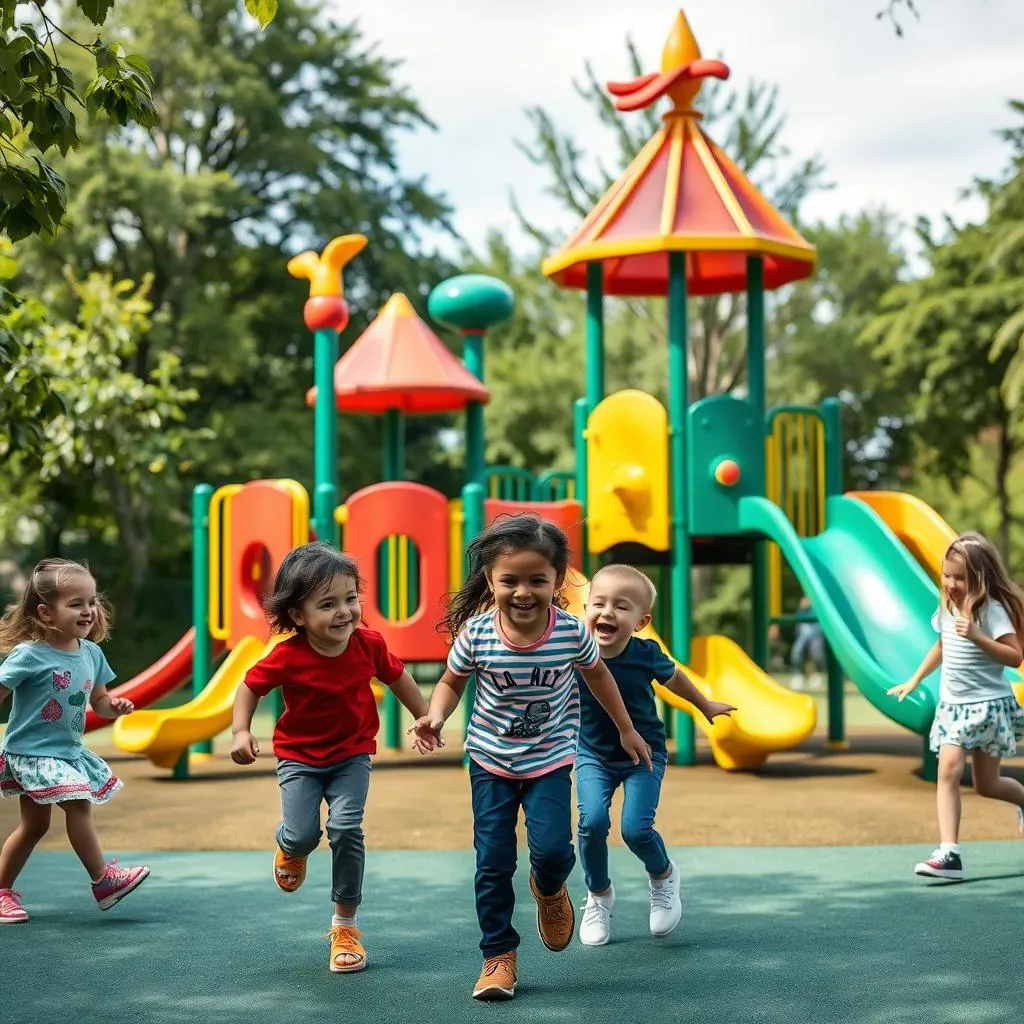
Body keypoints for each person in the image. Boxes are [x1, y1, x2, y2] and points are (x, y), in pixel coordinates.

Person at [410, 515, 652, 1002]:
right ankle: (498, 956)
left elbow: (599, 676)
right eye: (510, 581)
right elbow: (452, 682)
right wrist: (434, 715)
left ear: (557, 581)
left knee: (553, 852)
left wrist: (627, 728)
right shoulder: (477, 634)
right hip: (491, 760)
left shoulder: (569, 633)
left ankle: (549, 888)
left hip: (550, 758)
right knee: (493, 860)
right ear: (490, 581)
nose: (523, 592)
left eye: (537, 580)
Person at [230, 542, 430, 973]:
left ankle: (346, 924)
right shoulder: (287, 655)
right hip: (299, 758)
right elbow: (249, 686)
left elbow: (399, 678)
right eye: (328, 604)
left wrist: (424, 717)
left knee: (345, 827)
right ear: (299, 616)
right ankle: (290, 845)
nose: (344, 612)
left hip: (351, 755)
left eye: (350, 599)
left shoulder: (368, 645)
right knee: (303, 834)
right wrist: (241, 730)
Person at [576, 564, 736, 946]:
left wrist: (704, 705)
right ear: (585, 609)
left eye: (621, 606)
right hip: (592, 755)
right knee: (592, 823)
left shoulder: (645, 653)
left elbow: (675, 677)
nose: (607, 612)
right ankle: (599, 894)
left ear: (641, 620)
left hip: (643, 755)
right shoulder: (573, 650)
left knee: (635, 829)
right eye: (599, 603)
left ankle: (662, 875)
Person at [0, 559, 150, 923]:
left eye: (92, 602)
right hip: (32, 755)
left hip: (67, 753)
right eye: (76, 603)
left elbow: (99, 701)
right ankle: (103, 880)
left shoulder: (92, 653)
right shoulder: (29, 655)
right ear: (45, 613)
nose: (88, 611)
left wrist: (114, 706)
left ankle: (1, 890)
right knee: (79, 804)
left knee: (34, 827)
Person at [888, 532, 1024, 880]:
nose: (950, 583)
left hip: (987, 707)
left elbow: (1015, 656)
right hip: (954, 708)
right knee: (947, 768)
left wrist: (978, 636)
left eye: (959, 578)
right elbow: (941, 645)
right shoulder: (947, 606)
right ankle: (950, 853)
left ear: (980, 577)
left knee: (987, 785)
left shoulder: (992, 611)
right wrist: (915, 679)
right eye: (946, 575)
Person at [790, 596, 824, 691]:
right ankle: (798, 676)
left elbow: (819, 627)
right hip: (804, 636)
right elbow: (798, 622)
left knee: (815, 651)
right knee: (797, 651)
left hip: (815, 636)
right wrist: (802, 608)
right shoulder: (802, 611)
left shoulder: (817, 607)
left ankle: (814, 676)